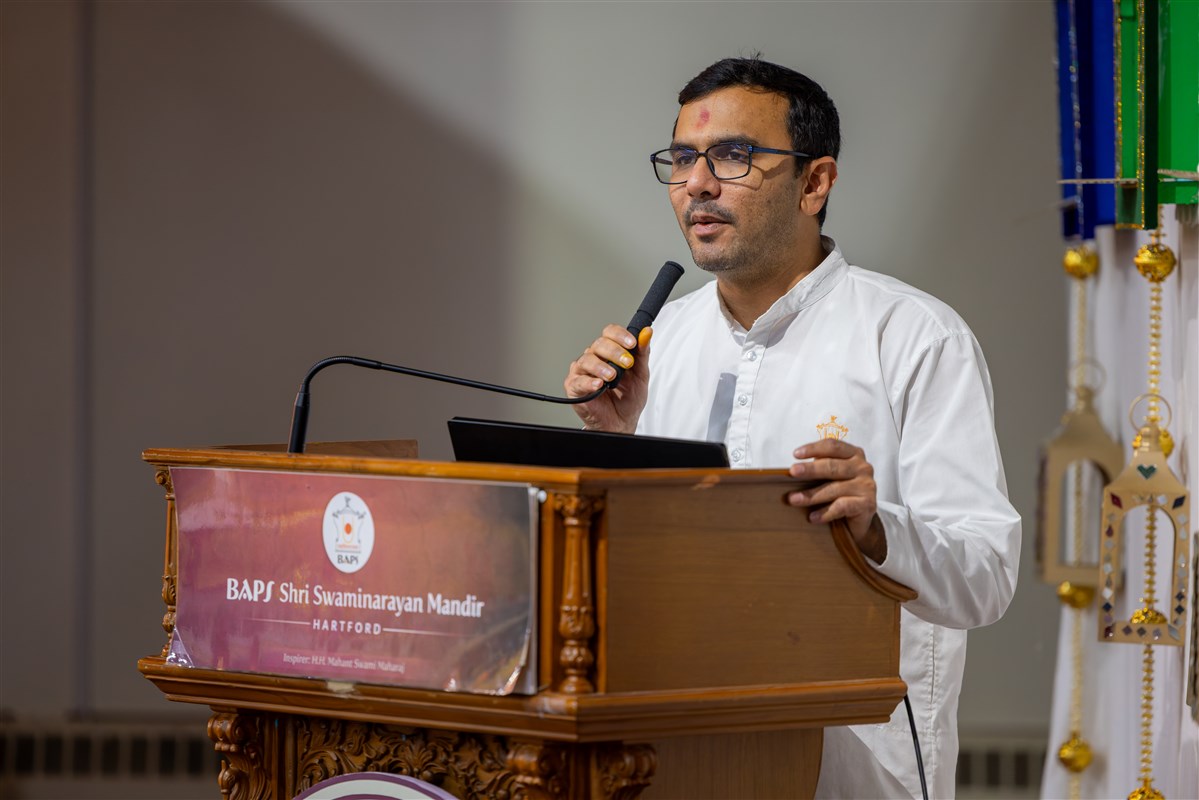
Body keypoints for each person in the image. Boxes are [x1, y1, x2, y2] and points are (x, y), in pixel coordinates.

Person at [563, 56, 1021, 799]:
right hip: (683, 751)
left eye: (732, 156)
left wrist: (873, 528)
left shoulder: (914, 337)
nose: (696, 184)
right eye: (681, 159)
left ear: (815, 183)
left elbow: (987, 577)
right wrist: (616, 440)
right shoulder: (663, 339)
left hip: (860, 769)